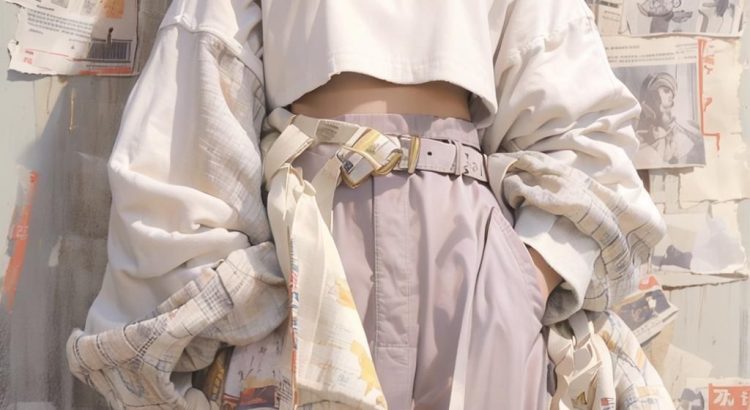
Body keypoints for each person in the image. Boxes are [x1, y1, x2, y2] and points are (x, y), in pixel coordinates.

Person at [66, 0, 666, 408]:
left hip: (475, 266)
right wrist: (254, 300)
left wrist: (523, 281)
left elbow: (582, 126)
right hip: (314, 259)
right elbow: (197, 111)